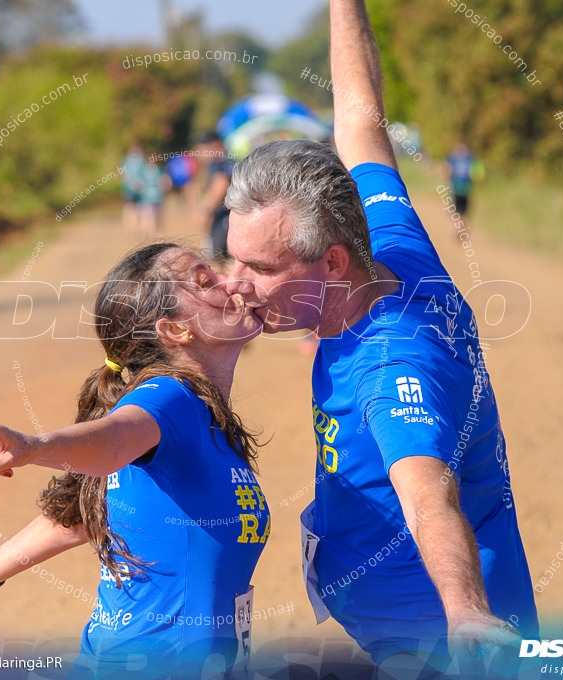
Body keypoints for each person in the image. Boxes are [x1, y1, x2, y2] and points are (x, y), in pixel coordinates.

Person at [223, 0, 537, 676]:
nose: (234, 284)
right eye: (232, 258)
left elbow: (429, 496)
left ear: (331, 263)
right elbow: (361, 119)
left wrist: (463, 612)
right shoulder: (388, 236)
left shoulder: (395, 368)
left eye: (258, 268)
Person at [0, 243, 270, 679]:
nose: (231, 284)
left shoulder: (201, 413)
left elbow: (82, 515)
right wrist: (35, 446)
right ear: (175, 331)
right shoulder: (170, 399)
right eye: (206, 282)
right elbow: (113, 442)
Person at [194, 132, 234, 265]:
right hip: (235, 219)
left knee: (218, 263)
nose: (200, 153)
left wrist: (205, 209)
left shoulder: (219, 162)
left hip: (224, 220)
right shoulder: (231, 161)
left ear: (215, 146)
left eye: (203, 149)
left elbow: (221, 184)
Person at [447, 142, 478, 217]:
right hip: (465, 189)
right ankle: (463, 227)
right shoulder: (470, 159)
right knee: (463, 212)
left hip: (458, 189)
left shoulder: (454, 159)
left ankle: (459, 227)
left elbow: (448, 172)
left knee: (457, 212)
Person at [120, 144, 146, 231]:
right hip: (137, 187)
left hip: (128, 187)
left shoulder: (126, 160)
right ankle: (136, 226)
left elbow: (124, 175)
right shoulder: (141, 159)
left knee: (129, 206)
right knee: (136, 207)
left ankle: (130, 226)